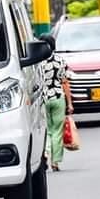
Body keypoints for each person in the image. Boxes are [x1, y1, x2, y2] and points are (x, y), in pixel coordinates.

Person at [39, 35, 74, 171]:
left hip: (42, 99)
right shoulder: (60, 60)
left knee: (46, 130)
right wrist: (69, 103)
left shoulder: (37, 62)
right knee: (57, 131)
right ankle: (55, 162)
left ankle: (46, 153)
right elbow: (65, 83)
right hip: (58, 97)